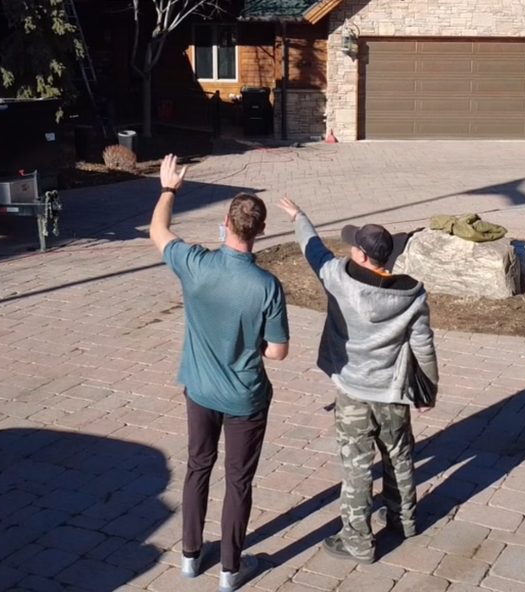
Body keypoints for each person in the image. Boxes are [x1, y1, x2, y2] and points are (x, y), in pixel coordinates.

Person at [150, 154, 288, 591]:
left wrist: (169, 189)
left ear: (225, 224)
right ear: (260, 231)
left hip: (200, 390)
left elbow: (158, 231)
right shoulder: (267, 287)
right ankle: (231, 570)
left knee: (197, 467)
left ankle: (190, 556)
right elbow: (279, 351)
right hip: (245, 398)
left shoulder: (196, 264)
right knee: (238, 481)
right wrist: (254, 344)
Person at [274, 195, 438, 563]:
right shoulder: (411, 294)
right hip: (393, 392)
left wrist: (299, 216)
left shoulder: (338, 278)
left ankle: (358, 541)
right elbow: (424, 346)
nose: (347, 251)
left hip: (352, 391)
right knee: (399, 456)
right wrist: (427, 390)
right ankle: (405, 520)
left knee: (357, 466)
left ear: (363, 256)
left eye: (352, 246)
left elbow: (312, 249)